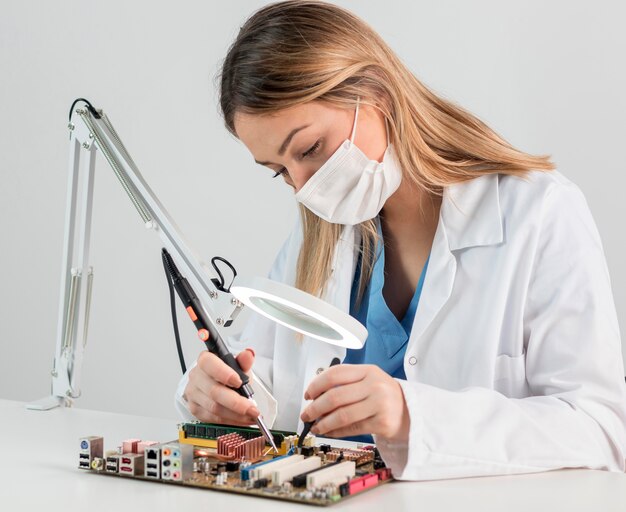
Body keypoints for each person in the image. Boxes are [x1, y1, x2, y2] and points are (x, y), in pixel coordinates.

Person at [175, 0, 626, 480]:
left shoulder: (538, 213)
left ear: (376, 92)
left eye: (310, 149)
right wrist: (214, 394)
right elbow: (264, 381)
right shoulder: (318, 239)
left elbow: (601, 430)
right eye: (280, 171)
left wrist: (413, 416)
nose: (305, 187)